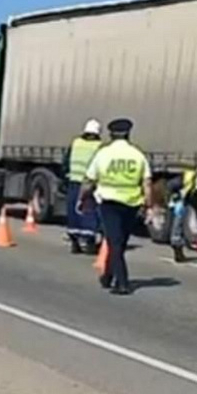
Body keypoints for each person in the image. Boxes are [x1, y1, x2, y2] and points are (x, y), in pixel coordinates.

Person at [78, 118, 153, 295]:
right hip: (132, 204)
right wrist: (148, 206)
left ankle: (123, 282)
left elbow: (89, 181)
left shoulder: (103, 154)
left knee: (114, 242)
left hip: (109, 202)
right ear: (128, 134)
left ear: (111, 134)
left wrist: (82, 198)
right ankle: (108, 276)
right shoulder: (137, 155)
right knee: (119, 242)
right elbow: (147, 183)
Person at [63, 119, 103, 254]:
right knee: (89, 212)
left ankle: (75, 242)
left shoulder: (76, 143)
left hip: (74, 181)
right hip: (89, 184)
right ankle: (89, 243)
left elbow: (66, 162)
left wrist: (65, 176)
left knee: (74, 211)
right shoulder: (99, 146)